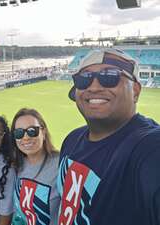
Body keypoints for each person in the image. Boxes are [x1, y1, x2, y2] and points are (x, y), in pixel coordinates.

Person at [57, 48, 160, 225]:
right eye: (84, 79)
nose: (94, 87)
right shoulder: (72, 139)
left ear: (135, 90)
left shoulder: (149, 146)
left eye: (109, 76)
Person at [11, 108, 60, 225]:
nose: (26, 137)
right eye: (19, 132)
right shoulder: (15, 164)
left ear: (43, 132)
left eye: (32, 131)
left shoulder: (61, 164)